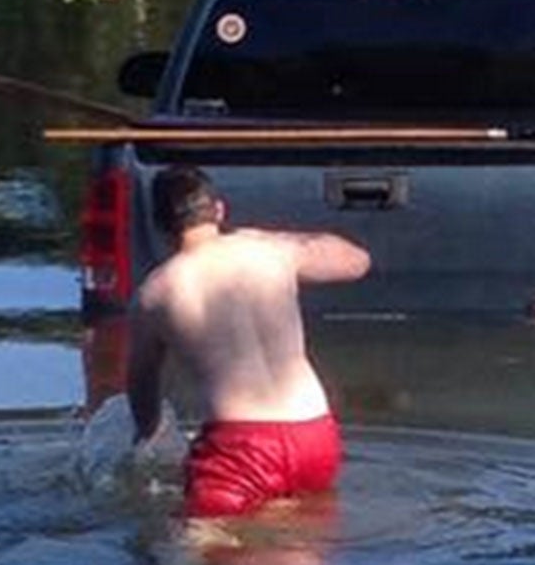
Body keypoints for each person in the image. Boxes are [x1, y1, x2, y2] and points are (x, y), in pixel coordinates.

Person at [127, 165, 370, 521]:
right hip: (315, 436)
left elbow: (141, 380)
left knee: (188, 559)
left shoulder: (155, 293)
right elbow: (357, 261)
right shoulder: (271, 250)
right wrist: (280, 237)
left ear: (160, 223)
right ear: (220, 211)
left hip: (240, 450)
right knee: (300, 553)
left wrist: (145, 436)